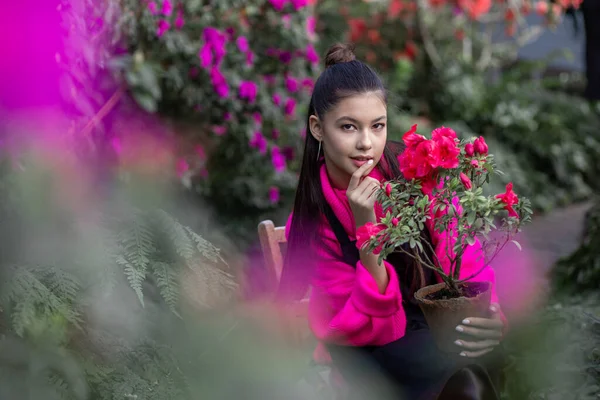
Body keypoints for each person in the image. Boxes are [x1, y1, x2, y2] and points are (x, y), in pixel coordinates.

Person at [277, 43, 507, 400]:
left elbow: (462, 255)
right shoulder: (311, 221)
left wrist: (488, 314)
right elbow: (376, 327)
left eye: (377, 126)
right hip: (370, 344)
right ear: (318, 128)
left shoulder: (415, 172)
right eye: (349, 127)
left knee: (479, 366)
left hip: (429, 328)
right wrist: (366, 225)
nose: (366, 143)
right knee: (452, 377)